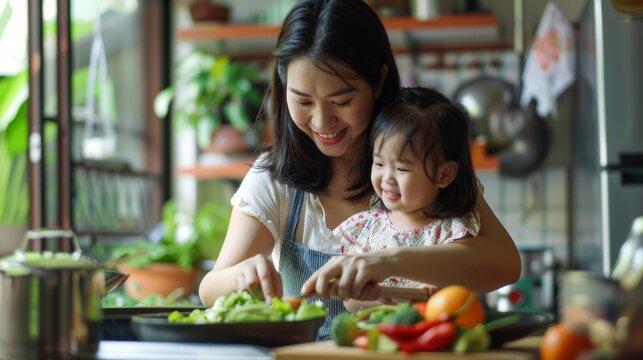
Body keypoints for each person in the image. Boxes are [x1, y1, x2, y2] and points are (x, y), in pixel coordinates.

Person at [199, 0, 521, 340]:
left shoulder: (419, 165)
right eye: (303, 101)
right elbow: (209, 289)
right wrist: (239, 278)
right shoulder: (274, 178)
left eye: (341, 101)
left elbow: (504, 263)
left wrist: (388, 261)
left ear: (378, 82)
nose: (322, 122)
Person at [333, 86, 482, 312]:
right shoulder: (367, 228)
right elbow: (350, 300)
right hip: (371, 340)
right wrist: (394, 298)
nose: (387, 178)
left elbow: (459, 291)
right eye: (379, 163)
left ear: (444, 174)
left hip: (431, 342)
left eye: (402, 169)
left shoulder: (454, 231)